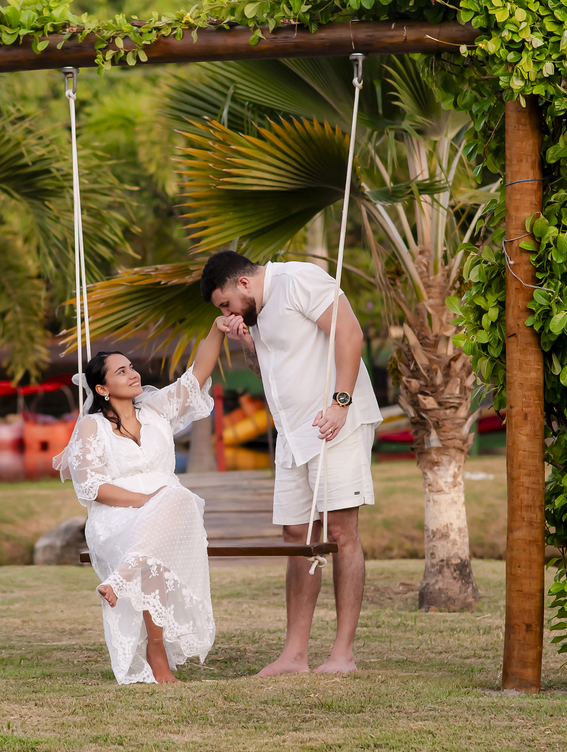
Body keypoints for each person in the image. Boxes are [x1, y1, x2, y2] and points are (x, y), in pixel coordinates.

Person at [200, 250, 382, 676]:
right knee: (296, 536)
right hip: (293, 434)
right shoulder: (258, 315)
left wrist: (340, 404)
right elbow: (267, 373)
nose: (226, 313)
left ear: (242, 283)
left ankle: (342, 654)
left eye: (225, 304)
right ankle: (294, 654)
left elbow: (350, 333)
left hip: (337, 423)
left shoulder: (298, 279)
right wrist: (245, 341)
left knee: (340, 531)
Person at [53, 317, 232, 685]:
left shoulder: (156, 409)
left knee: (179, 497)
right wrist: (146, 500)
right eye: (122, 371)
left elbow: (197, 374)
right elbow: (92, 488)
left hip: (169, 512)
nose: (133, 374)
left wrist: (216, 327)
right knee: (175, 499)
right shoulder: (92, 427)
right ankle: (154, 649)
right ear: (103, 387)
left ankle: (124, 588)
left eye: (132, 367)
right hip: (116, 516)